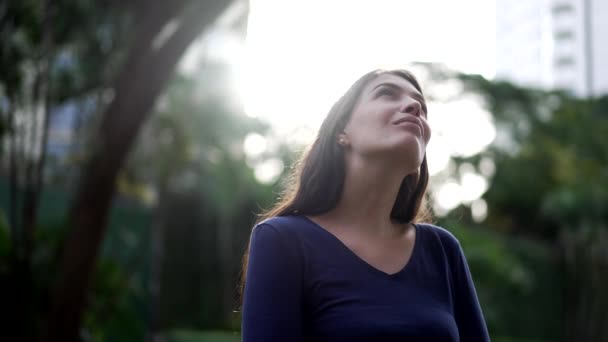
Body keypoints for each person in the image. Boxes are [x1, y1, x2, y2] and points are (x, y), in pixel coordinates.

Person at [240, 69, 490, 341]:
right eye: (386, 94)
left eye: (422, 107)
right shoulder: (282, 240)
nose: (415, 106)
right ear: (342, 131)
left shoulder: (441, 249)